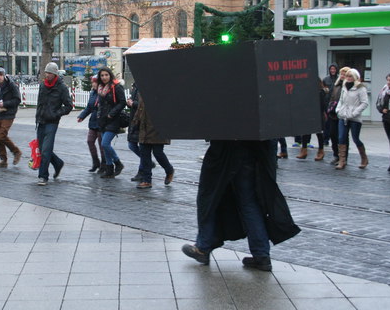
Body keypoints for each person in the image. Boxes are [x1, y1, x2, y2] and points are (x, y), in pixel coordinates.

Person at [182, 140, 300, 271]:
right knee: (249, 202)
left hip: (229, 148)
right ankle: (261, 255)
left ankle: (203, 246)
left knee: (210, 197)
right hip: (256, 150)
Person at [35, 62, 73, 186]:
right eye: (46, 72)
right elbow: (40, 103)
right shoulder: (42, 86)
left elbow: (68, 106)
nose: (47, 75)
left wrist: (56, 114)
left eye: (50, 73)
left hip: (52, 122)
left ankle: (43, 176)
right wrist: (38, 116)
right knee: (42, 149)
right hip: (41, 120)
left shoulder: (61, 87)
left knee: (46, 150)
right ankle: (57, 163)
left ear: (55, 74)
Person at [132, 94, 174, 189]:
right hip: (144, 128)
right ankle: (147, 180)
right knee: (144, 154)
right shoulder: (143, 92)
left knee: (158, 153)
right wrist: (135, 122)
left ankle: (169, 170)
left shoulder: (161, 92)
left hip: (158, 129)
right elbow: (140, 109)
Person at [335, 68, 369, 170]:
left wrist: (354, 113)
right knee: (341, 137)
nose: (348, 78)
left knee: (355, 138)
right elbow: (341, 100)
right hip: (343, 116)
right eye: (347, 76)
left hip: (354, 118)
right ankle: (342, 160)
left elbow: (364, 103)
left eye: (350, 76)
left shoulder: (360, 88)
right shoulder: (344, 87)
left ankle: (364, 158)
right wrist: (338, 110)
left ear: (355, 77)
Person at [96, 67, 126, 178]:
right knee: (105, 145)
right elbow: (100, 105)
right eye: (102, 75)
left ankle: (118, 163)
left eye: (106, 75)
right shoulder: (100, 88)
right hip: (102, 120)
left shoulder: (116, 87)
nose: (104, 77)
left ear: (110, 75)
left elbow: (122, 102)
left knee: (105, 143)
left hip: (113, 119)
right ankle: (109, 168)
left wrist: (112, 113)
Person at [0, 68, 22, 168]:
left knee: (2, 135)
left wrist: (5, 104)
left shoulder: (11, 85)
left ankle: (16, 152)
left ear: (4, 75)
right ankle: (3, 160)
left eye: (1, 75)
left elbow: (17, 99)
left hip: (9, 113)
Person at [77, 76, 105, 173]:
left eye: (95, 82)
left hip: (101, 122)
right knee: (90, 141)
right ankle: (95, 162)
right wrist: (82, 116)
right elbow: (89, 107)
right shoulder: (92, 93)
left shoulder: (103, 92)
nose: (93, 84)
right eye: (92, 82)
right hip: (93, 121)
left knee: (102, 145)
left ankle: (104, 164)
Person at [297, 78, 328, 161]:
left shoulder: (320, 92)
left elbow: (323, 105)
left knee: (319, 134)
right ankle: (303, 150)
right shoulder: (306, 91)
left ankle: (321, 151)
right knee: (305, 133)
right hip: (308, 114)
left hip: (317, 115)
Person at [327, 66, 350, 165]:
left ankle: (343, 157)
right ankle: (336, 154)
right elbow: (331, 97)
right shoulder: (336, 85)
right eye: (341, 74)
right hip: (333, 114)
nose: (342, 76)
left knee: (342, 136)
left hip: (343, 114)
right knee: (332, 134)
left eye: (345, 74)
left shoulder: (348, 86)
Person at [322, 63, 339, 145]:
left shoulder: (339, 79)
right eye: (331, 69)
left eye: (334, 69)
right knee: (327, 123)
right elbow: (322, 91)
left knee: (336, 122)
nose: (333, 70)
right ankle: (325, 139)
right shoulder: (325, 79)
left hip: (336, 103)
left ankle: (336, 139)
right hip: (327, 103)